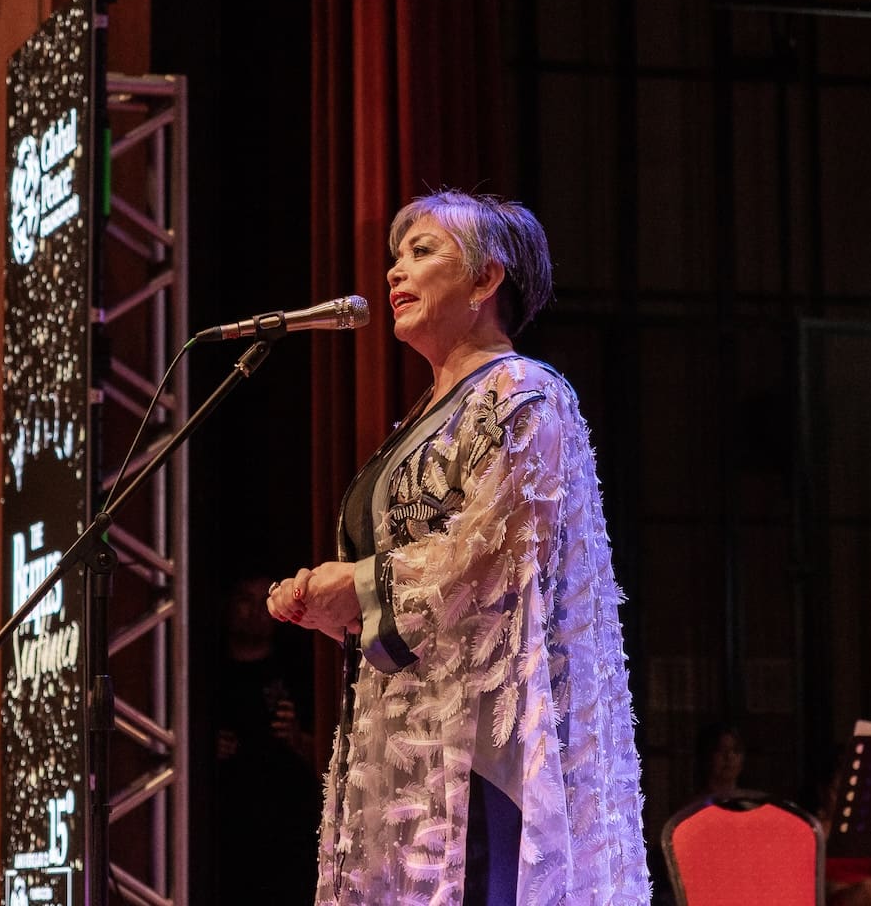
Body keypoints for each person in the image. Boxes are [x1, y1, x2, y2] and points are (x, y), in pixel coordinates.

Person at [267, 190, 648, 905]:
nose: (394, 272)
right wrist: (331, 603)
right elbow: (416, 573)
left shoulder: (524, 394)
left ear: (485, 279)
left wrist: (359, 585)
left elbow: (495, 554)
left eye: (421, 252)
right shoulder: (421, 419)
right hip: (408, 740)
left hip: (481, 749)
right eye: (394, 256)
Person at [214, 574, 317, 903]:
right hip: (226, 827)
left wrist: (297, 738)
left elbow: (329, 750)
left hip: (287, 825)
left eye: (265, 600)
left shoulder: (302, 671)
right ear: (228, 606)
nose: (256, 610)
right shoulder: (206, 676)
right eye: (246, 599)